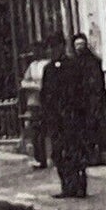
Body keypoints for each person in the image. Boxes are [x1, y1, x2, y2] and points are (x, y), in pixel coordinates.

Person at [41, 34, 89, 199]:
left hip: (72, 117)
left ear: (62, 46)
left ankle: (79, 185)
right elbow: (45, 95)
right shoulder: (48, 69)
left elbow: (81, 91)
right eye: (50, 48)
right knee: (59, 153)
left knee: (75, 152)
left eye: (55, 47)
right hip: (56, 120)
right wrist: (48, 116)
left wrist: (79, 113)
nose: (52, 51)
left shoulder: (73, 66)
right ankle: (67, 186)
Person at [72, 33, 106, 167]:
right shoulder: (73, 63)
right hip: (79, 103)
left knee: (94, 128)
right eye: (77, 45)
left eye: (81, 45)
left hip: (93, 101)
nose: (79, 48)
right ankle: (86, 155)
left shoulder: (93, 62)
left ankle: (97, 155)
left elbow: (97, 82)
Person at [19, 43, 51, 169]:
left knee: (45, 131)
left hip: (45, 102)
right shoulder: (33, 66)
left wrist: (35, 84)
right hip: (33, 102)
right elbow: (24, 82)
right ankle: (39, 158)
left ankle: (48, 157)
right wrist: (34, 84)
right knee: (35, 132)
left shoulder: (47, 64)